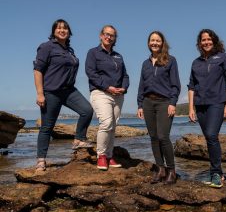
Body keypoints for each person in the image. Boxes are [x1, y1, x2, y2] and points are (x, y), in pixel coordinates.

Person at [33, 19, 93, 171]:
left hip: (68, 90)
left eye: (65, 28)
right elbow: (38, 70)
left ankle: (79, 139)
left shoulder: (69, 50)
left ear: (69, 32)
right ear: (54, 31)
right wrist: (40, 93)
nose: (62, 30)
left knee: (87, 110)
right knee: (47, 126)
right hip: (51, 91)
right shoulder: (47, 47)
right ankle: (41, 160)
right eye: (59, 28)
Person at [188, 29, 226, 188]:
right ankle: (217, 172)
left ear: (214, 41)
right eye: (203, 40)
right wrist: (191, 108)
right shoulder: (196, 62)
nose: (206, 42)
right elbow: (191, 86)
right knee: (210, 139)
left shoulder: (223, 58)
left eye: (209, 39)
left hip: (217, 102)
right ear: (199, 43)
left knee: (211, 135)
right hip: (200, 105)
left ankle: (216, 173)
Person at [137, 31, 181, 184]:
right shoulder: (145, 63)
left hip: (164, 102)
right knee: (153, 137)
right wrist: (140, 104)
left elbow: (176, 85)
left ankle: (171, 170)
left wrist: (172, 103)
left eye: (157, 40)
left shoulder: (170, 60)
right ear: (149, 43)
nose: (154, 43)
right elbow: (141, 85)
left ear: (162, 43)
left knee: (163, 137)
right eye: (152, 40)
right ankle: (160, 169)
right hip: (148, 103)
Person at [85, 25, 129, 171]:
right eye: (106, 34)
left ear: (115, 38)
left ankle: (109, 156)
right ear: (101, 35)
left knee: (113, 126)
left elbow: (125, 75)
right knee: (106, 122)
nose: (109, 37)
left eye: (112, 35)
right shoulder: (93, 53)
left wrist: (124, 87)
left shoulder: (119, 56)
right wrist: (107, 87)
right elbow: (91, 73)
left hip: (118, 95)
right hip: (100, 93)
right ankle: (101, 156)